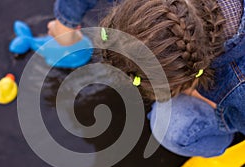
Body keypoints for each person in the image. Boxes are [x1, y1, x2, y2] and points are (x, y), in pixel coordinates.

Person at [48, 0, 245, 157]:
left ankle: (229, 143)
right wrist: (66, 22)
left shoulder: (239, 86)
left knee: (169, 126)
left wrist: (208, 100)